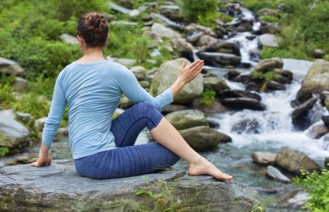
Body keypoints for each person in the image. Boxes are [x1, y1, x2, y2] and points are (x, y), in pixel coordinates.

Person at [31, 12, 232, 181]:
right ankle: (197, 161)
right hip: (99, 162)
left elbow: (53, 120)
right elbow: (155, 105)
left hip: (84, 158)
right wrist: (181, 81)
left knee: (144, 112)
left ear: (79, 40)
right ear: (107, 38)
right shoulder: (118, 71)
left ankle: (196, 161)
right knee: (173, 150)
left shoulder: (65, 73)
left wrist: (43, 156)